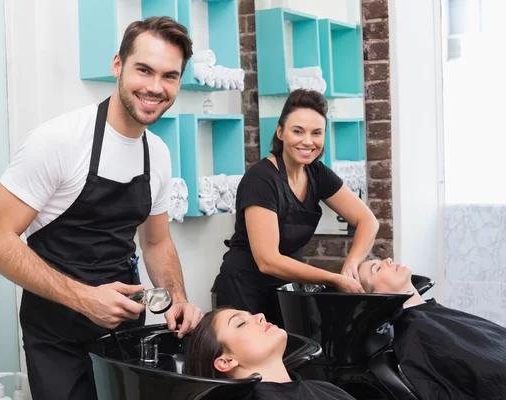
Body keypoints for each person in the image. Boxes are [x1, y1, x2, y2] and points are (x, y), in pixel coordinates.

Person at [0, 17, 203, 400]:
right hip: (57, 337)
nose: (155, 87)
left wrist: (177, 297)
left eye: (169, 76)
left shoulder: (158, 154)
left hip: (128, 332)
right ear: (118, 65)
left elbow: (156, 243)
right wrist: (83, 298)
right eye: (143, 70)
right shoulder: (58, 142)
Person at [211, 89, 379, 326]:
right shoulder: (261, 179)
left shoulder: (317, 174)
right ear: (280, 132)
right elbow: (267, 260)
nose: (308, 141)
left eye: (316, 133)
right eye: (298, 131)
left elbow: (368, 221)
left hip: (286, 290)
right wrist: (333, 278)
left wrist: (351, 264)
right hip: (244, 291)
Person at [359, 258, 506, 400]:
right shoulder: (416, 333)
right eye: (377, 268)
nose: (388, 260)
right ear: (375, 295)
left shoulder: (431, 316)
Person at [185, 308, 356, 400]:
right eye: (241, 323)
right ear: (226, 361)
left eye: (251, 315)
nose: (260, 316)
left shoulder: (326, 388)